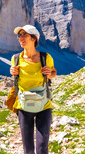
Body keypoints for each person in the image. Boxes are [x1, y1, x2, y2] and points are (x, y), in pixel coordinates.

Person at [10, 24, 57, 154]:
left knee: (42, 147)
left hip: (44, 105)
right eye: (19, 35)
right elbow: (15, 76)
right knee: (28, 149)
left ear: (34, 38)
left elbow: (53, 73)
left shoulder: (45, 57)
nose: (21, 38)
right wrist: (13, 72)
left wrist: (49, 73)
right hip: (24, 107)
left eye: (25, 34)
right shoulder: (15, 59)